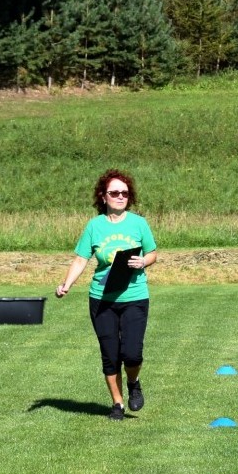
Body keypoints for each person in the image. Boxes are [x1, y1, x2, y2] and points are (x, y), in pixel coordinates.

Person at [56, 169, 158, 421]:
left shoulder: (139, 223)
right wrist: (66, 284)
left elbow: (153, 253)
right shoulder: (94, 226)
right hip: (102, 299)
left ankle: (134, 382)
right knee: (110, 353)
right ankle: (117, 404)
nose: (120, 196)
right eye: (115, 193)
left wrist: (143, 262)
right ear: (103, 197)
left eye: (125, 193)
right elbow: (81, 259)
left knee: (132, 353)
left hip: (134, 296)